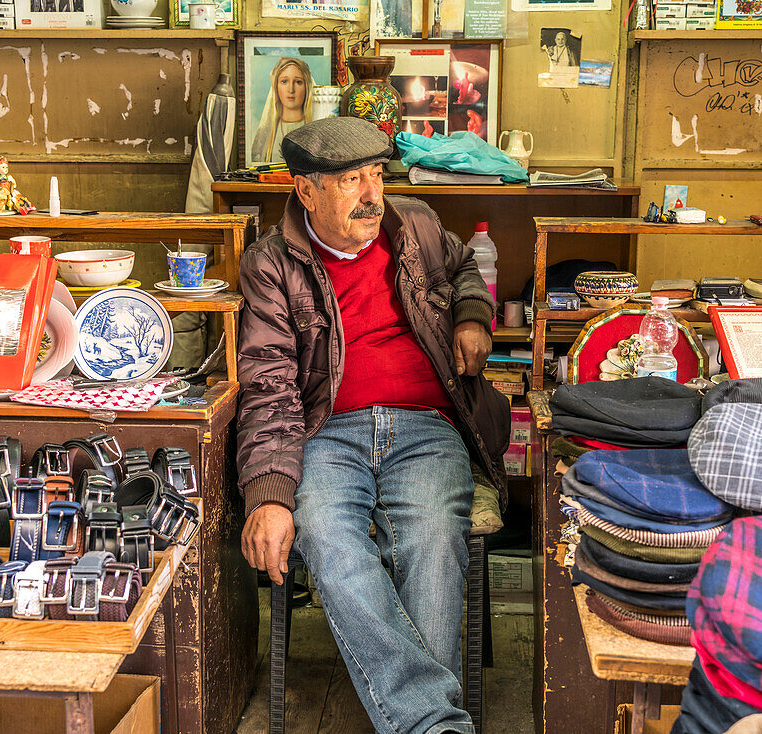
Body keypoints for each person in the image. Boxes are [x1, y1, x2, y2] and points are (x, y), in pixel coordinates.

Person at [236, 116, 510, 734]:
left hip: (426, 421)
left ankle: (422, 721)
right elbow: (268, 386)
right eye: (350, 180)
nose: (371, 194)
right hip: (327, 430)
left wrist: (471, 316)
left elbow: (466, 266)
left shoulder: (413, 223)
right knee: (327, 537)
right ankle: (435, 723)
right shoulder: (271, 264)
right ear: (306, 192)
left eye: (377, 174)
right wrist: (271, 495)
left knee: (433, 536)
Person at [249, 57, 314, 165]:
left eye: (298, 82)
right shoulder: (267, 132)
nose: (291, 89)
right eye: (284, 81)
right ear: (276, 86)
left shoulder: (314, 129)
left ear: (307, 86)